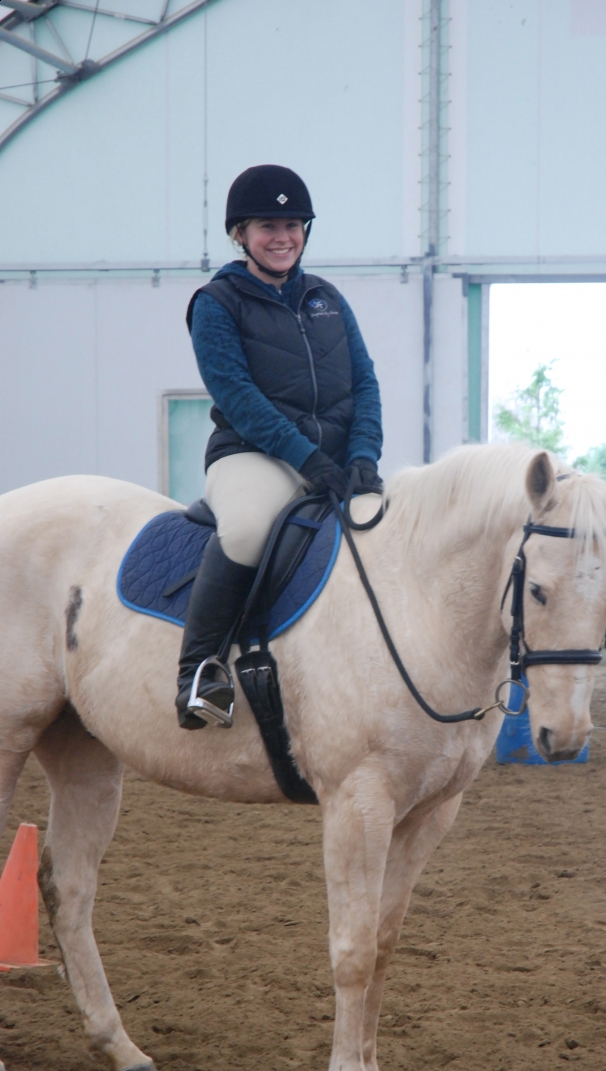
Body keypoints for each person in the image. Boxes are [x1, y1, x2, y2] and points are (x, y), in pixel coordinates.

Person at [176, 164, 383, 729]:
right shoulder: (216, 303)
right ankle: (199, 672)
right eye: (268, 225)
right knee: (247, 530)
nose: (283, 236)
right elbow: (238, 396)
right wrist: (307, 458)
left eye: (292, 225)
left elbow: (364, 383)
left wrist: (363, 456)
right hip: (252, 454)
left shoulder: (327, 298)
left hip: (334, 462)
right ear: (240, 234)